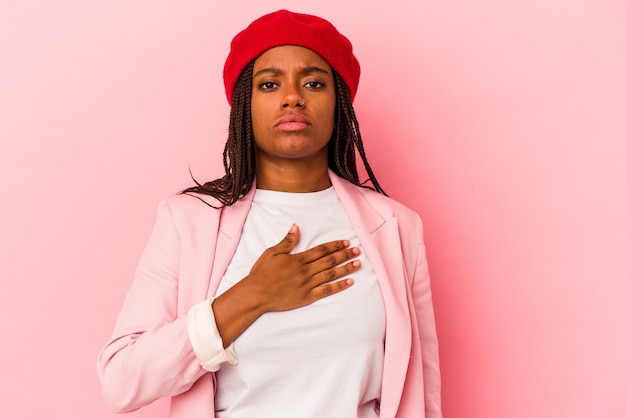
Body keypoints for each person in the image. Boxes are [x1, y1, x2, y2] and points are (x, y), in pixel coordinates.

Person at [97, 9, 441, 418]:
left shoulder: (397, 227)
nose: (292, 96)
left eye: (314, 82)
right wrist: (251, 296)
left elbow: (421, 392)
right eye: (270, 84)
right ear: (245, 104)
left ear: (339, 103)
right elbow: (120, 381)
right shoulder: (187, 220)